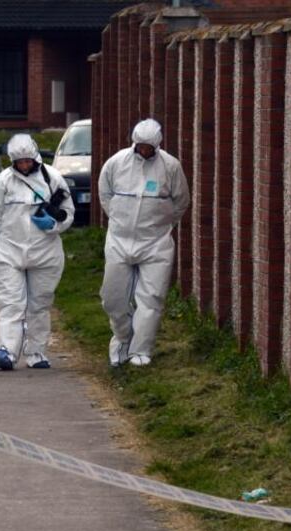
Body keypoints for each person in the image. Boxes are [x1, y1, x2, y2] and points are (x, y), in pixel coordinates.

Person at [98, 119, 189, 367]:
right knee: (112, 297)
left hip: (155, 242)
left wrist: (161, 224)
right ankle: (123, 337)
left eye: (149, 147)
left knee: (152, 297)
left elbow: (181, 201)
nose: (145, 150)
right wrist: (119, 217)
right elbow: (105, 194)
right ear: (134, 143)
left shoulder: (170, 166)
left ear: (157, 145)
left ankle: (141, 350)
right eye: (141, 146)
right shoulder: (116, 163)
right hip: (119, 239)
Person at [0, 134, 74, 370]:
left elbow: (68, 212)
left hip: (45, 252)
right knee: (11, 303)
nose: (24, 165)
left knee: (40, 304)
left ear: (35, 159)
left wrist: (54, 225)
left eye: (28, 161)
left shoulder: (52, 178)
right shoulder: (3, 182)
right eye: (20, 162)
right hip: (10, 251)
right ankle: (6, 350)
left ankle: (36, 351)